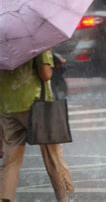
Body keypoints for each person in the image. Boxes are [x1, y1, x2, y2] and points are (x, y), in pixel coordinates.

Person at [0, 50, 74, 202]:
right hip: (35, 105)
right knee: (52, 155)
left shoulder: (2, 40)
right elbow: (45, 74)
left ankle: (4, 197)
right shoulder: (36, 41)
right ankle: (63, 197)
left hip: (7, 105)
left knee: (11, 160)